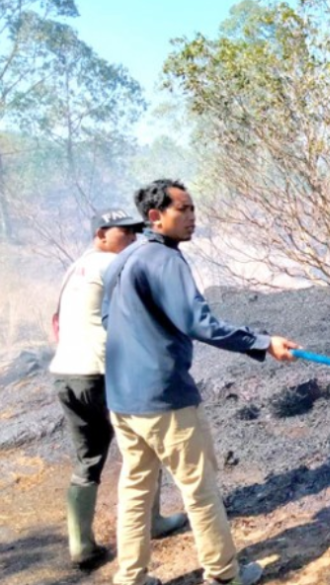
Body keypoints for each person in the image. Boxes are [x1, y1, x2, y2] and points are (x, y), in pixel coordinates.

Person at [102, 179, 300, 585]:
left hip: (122, 398)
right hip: (164, 400)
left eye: (193, 209)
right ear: (156, 217)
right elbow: (199, 323)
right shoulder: (166, 260)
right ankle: (224, 575)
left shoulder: (121, 260)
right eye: (183, 210)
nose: (192, 218)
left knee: (136, 490)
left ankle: (131, 577)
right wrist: (262, 343)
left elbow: (106, 318)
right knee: (199, 488)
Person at [50, 208, 188, 569]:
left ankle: (81, 546)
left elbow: (55, 320)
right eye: (124, 232)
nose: (132, 238)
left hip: (66, 374)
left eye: (135, 232)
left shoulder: (74, 268)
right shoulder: (112, 266)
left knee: (87, 459)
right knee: (145, 450)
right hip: (102, 373)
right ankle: (152, 525)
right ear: (100, 235)